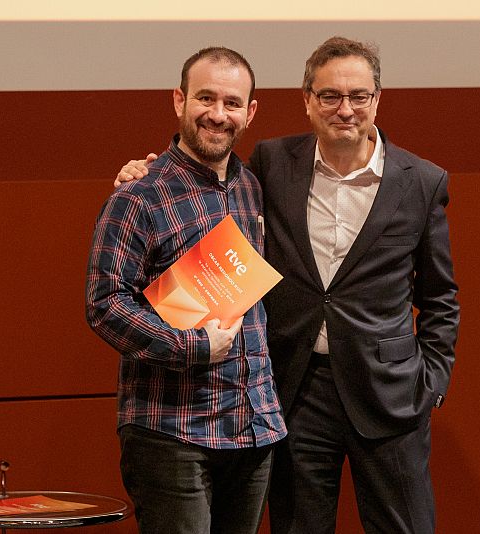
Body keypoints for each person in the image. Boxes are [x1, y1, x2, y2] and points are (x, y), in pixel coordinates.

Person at [116, 37, 460, 534]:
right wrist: (144, 170)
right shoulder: (272, 164)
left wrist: (431, 384)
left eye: (358, 96)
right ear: (307, 100)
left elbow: (440, 297)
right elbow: (204, 181)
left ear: (377, 100)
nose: (345, 109)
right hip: (297, 391)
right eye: (330, 96)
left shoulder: (421, 180)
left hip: (392, 396)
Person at [86, 47, 286, 534]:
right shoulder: (137, 194)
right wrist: (195, 346)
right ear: (179, 100)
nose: (218, 115)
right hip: (172, 431)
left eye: (232, 103)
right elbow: (104, 303)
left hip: (252, 427)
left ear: (250, 112)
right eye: (205, 98)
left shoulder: (252, 188)